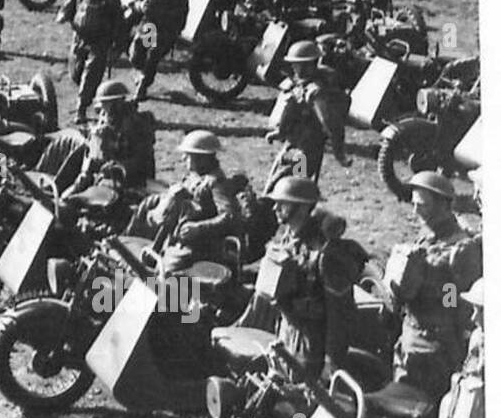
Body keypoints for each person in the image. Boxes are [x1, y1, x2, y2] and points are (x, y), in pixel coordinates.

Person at [255, 176, 366, 382]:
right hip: (287, 335)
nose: (275, 208)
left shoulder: (326, 254)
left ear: (303, 207)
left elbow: (339, 315)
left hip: (311, 348)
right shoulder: (289, 238)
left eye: (283, 203)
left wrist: (331, 362)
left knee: (302, 397)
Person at [386, 171, 483, 402]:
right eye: (414, 204)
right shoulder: (427, 234)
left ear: (442, 206)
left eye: (423, 205)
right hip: (410, 338)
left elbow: (457, 302)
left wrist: (436, 285)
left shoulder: (460, 251)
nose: (415, 211)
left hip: (434, 350)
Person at [126, 130, 240, 273]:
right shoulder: (194, 177)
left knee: (165, 275)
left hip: (199, 247)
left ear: (203, 158)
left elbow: (230, 216)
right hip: (175, 239)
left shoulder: (215, 184)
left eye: (188, 155)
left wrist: (198, 228)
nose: (183, 158)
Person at [264, 40, 351, 189]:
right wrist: (280, 132)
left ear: (309, 64)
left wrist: (339, 153)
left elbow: (330, 123)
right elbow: (289, 110)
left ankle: (291, 200)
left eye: (296, 64)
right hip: (294, 142)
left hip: (307, 148)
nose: (293, 67)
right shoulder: (298, 85)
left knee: (296, 183)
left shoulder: (316, 93)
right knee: (278, 178)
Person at [57, 0, 123, 123]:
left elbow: (119, 21)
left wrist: (116, 46)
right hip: (79, 40)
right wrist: (63, 16)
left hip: (99, 42)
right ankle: (93, 96)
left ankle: (81, 108)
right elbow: (66, 9)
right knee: (76, 74)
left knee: (90, 75)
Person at [127, 0, 185, 102]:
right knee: (136, 55)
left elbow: (182, 9)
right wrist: (141, 6)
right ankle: (143, 75)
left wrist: (165, 12)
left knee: (152, 55)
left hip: (165, 27)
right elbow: (136, 0)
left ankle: (142, 86)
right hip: (149, 24)